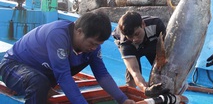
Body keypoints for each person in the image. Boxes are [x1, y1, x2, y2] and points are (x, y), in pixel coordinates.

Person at [0, 11, 135, 104]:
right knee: (38, 83)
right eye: (92, 43)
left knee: (42, 82)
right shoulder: (58, 35)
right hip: (13, 67)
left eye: (98, 45)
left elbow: (102, 75)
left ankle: (45, 89)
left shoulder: (92, 47)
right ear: (79, 31)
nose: (94, 48)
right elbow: (63, 76)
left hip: (44, 74)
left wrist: (122, 99)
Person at [112, 11, 168, 96]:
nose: (135, 39)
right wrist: (145, 89)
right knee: (131, 81)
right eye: (131, 37)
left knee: (161, 68)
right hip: (132, 48)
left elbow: (164, 50)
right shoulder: (126, 43)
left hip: (151, 43)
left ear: (143, 24)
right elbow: (135, 72)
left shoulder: (156, 25)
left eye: (137, 34)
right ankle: (131, 96)